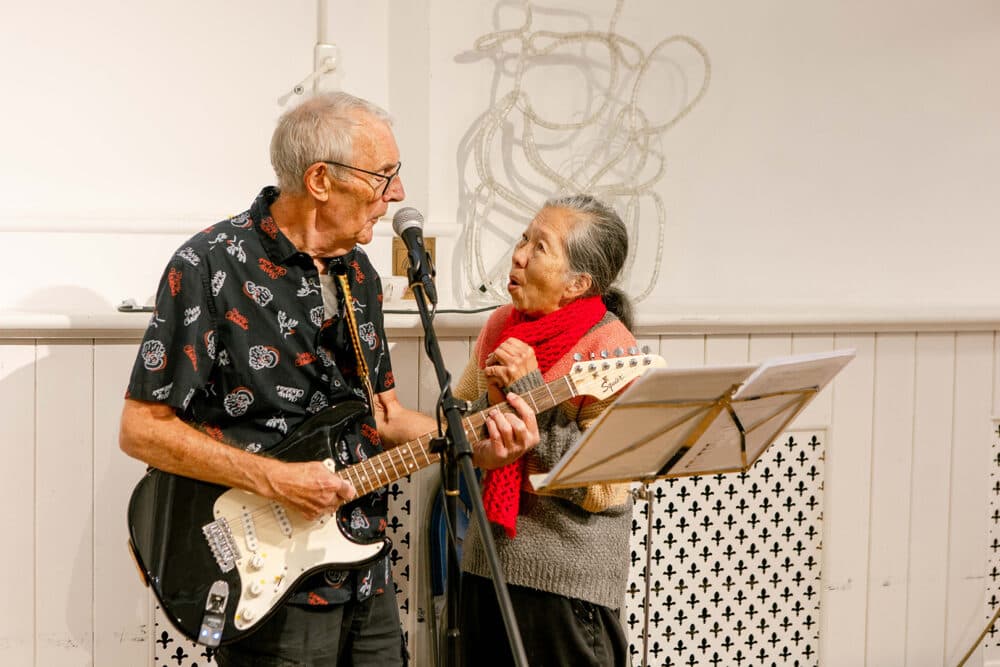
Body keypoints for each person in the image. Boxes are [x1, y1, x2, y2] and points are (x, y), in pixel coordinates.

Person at [119, 91, 539, 667]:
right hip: (268, 577)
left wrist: (475, 447)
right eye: (383, 176)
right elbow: (142, 430)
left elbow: (383, 416)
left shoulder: (357, 273)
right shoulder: (211, 265)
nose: (397, 195)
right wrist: (274, 479)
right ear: (320, 180)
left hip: (363, 562)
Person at [455, 194, 638, 667]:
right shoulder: (499, 327)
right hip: (486, 569)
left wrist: (530, 389)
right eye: (523, 239)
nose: (518, 255)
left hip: (566, 589)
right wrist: (489, 415)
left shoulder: (611, 349)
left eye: (540, 247)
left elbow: (601, 489)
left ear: (578, 282)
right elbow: (460, 421)